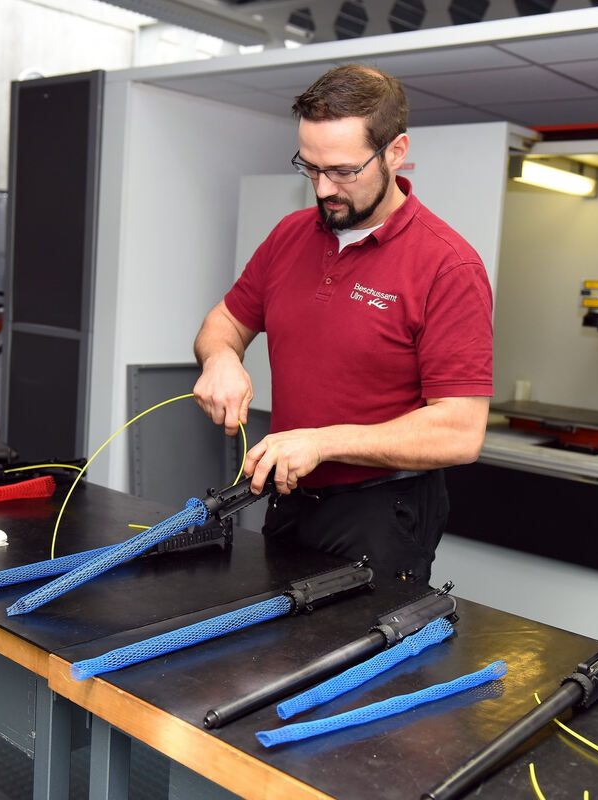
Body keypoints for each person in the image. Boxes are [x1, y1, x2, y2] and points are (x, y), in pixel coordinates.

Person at [192, 64, 493, 584]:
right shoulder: (290, 234)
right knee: (275, 631)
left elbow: (461, 431)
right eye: (309, 168)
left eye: (343, 171)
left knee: (357, 640)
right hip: (288, 495)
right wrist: (220, 358)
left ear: (396, 151)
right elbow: (225, 321)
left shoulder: (449, 266)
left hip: (382, 511)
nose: (323, 188)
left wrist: (323, 442)